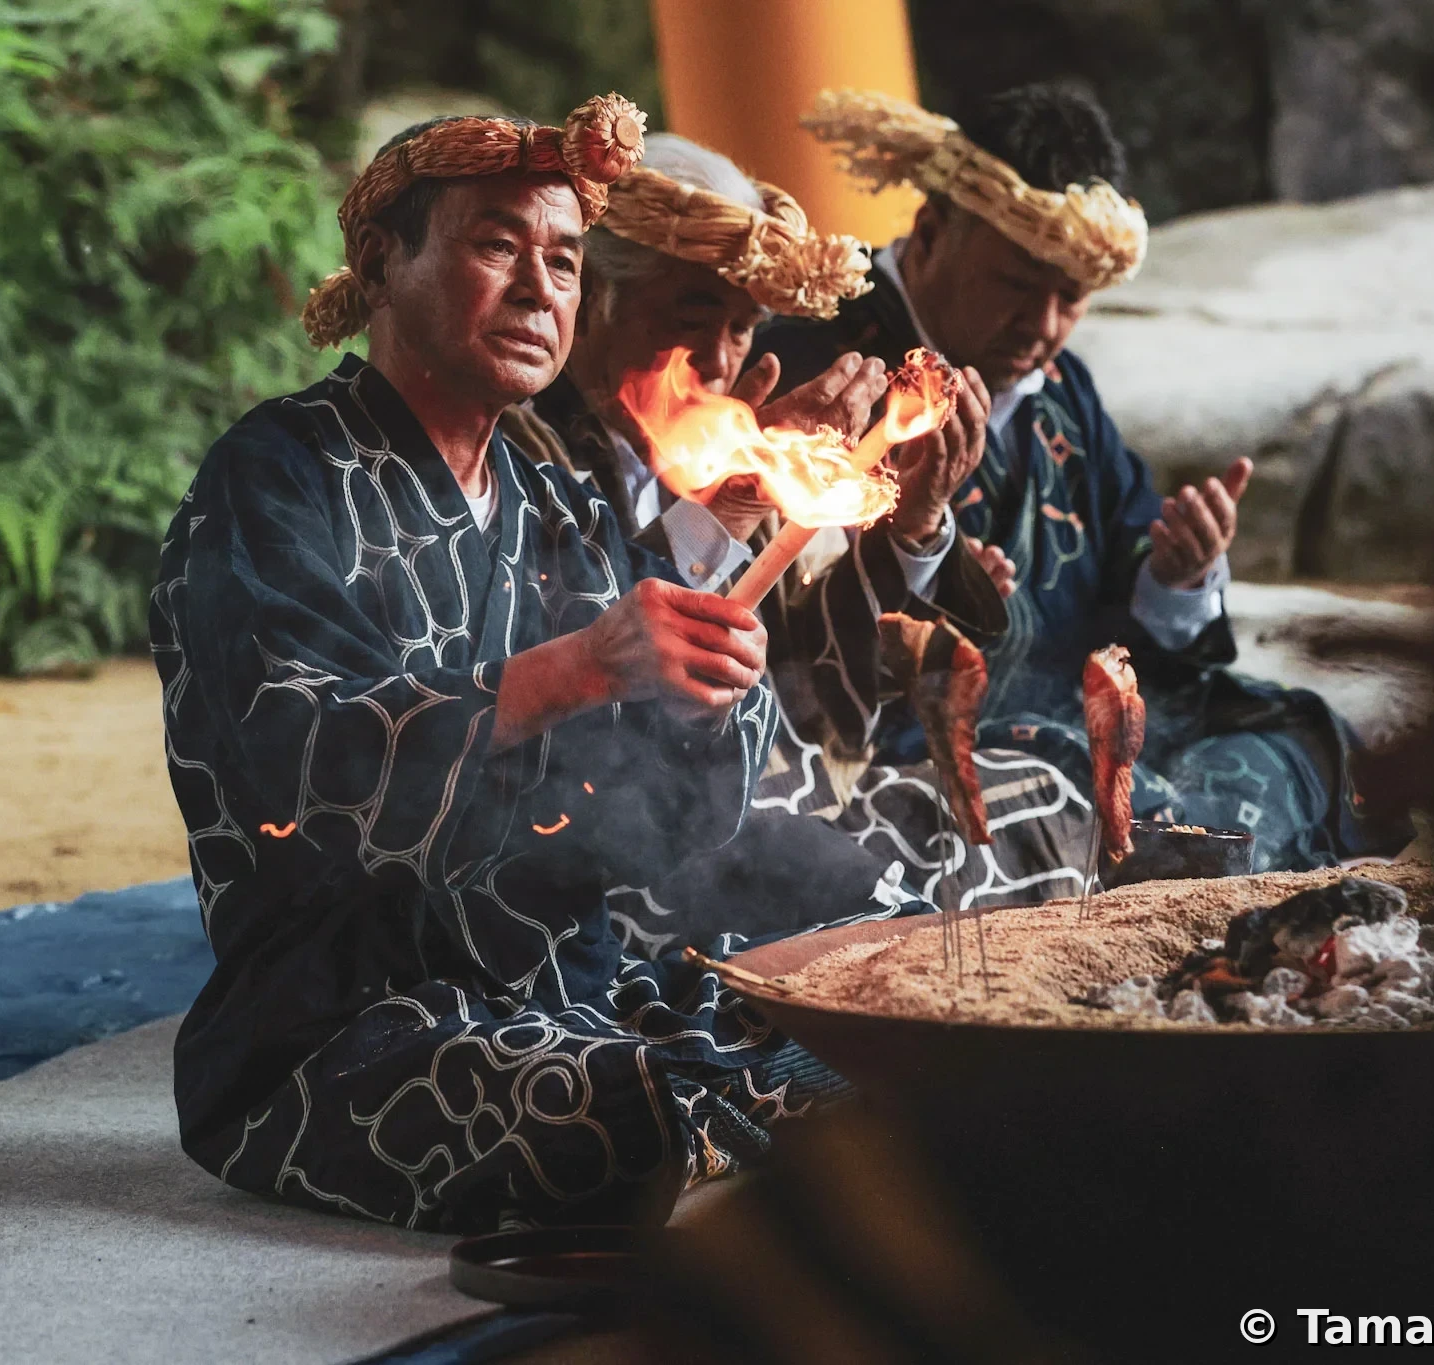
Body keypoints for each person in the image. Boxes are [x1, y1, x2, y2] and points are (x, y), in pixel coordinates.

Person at [150, 97, 910, 1235]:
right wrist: (575, 667)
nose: (539, 288)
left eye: (561, 259)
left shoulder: (556, 500)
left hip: (569, 986)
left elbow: (652, 826)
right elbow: (295, 773)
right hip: (338, 1023)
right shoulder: (275, 475)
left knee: (888, 1021)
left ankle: (742, 1120)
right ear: (381, 260)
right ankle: (720, 1130)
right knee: (608, 1110)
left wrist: (701, 695)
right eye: (495, 246)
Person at [756, 85, 1409, 870]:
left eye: (1071, 296)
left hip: (1080, 717)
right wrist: (927, 567)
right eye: (1018, 284)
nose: (1045, 326)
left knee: (1300, 740)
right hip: (920, 754)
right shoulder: (816, 369)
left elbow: (1130, 586)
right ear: (930, 232)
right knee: (1090, 806)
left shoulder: (1067, 392)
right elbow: (792, 643)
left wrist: (1178, 573)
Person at [500, 134, 1109, 944]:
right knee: (901, 925)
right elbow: (591, 666)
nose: (717, 360)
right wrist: (743, 498)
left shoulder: (722, 441)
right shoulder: (521, 446)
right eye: (691, 318)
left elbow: (811, 681)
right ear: (594, 295)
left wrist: (918, 518)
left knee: (1048, 800)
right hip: (625, 837)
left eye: (744, 328)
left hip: (790, 786)